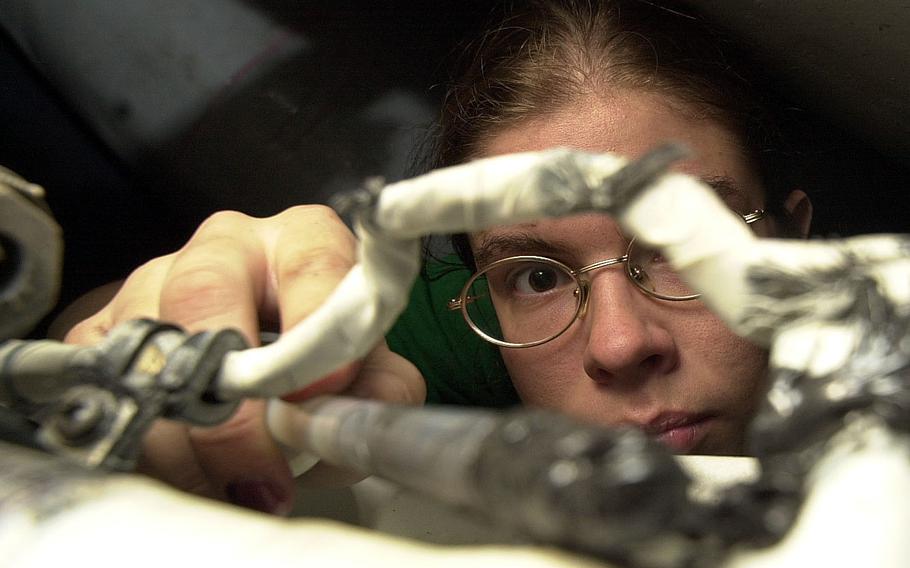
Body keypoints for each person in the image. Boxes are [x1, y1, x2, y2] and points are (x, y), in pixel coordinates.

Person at [59, 0, 812, 515]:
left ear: (791, 239)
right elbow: (83, 325)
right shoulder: (478, 325)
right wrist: (181, 319)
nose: (619, 344)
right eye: (539, 275)